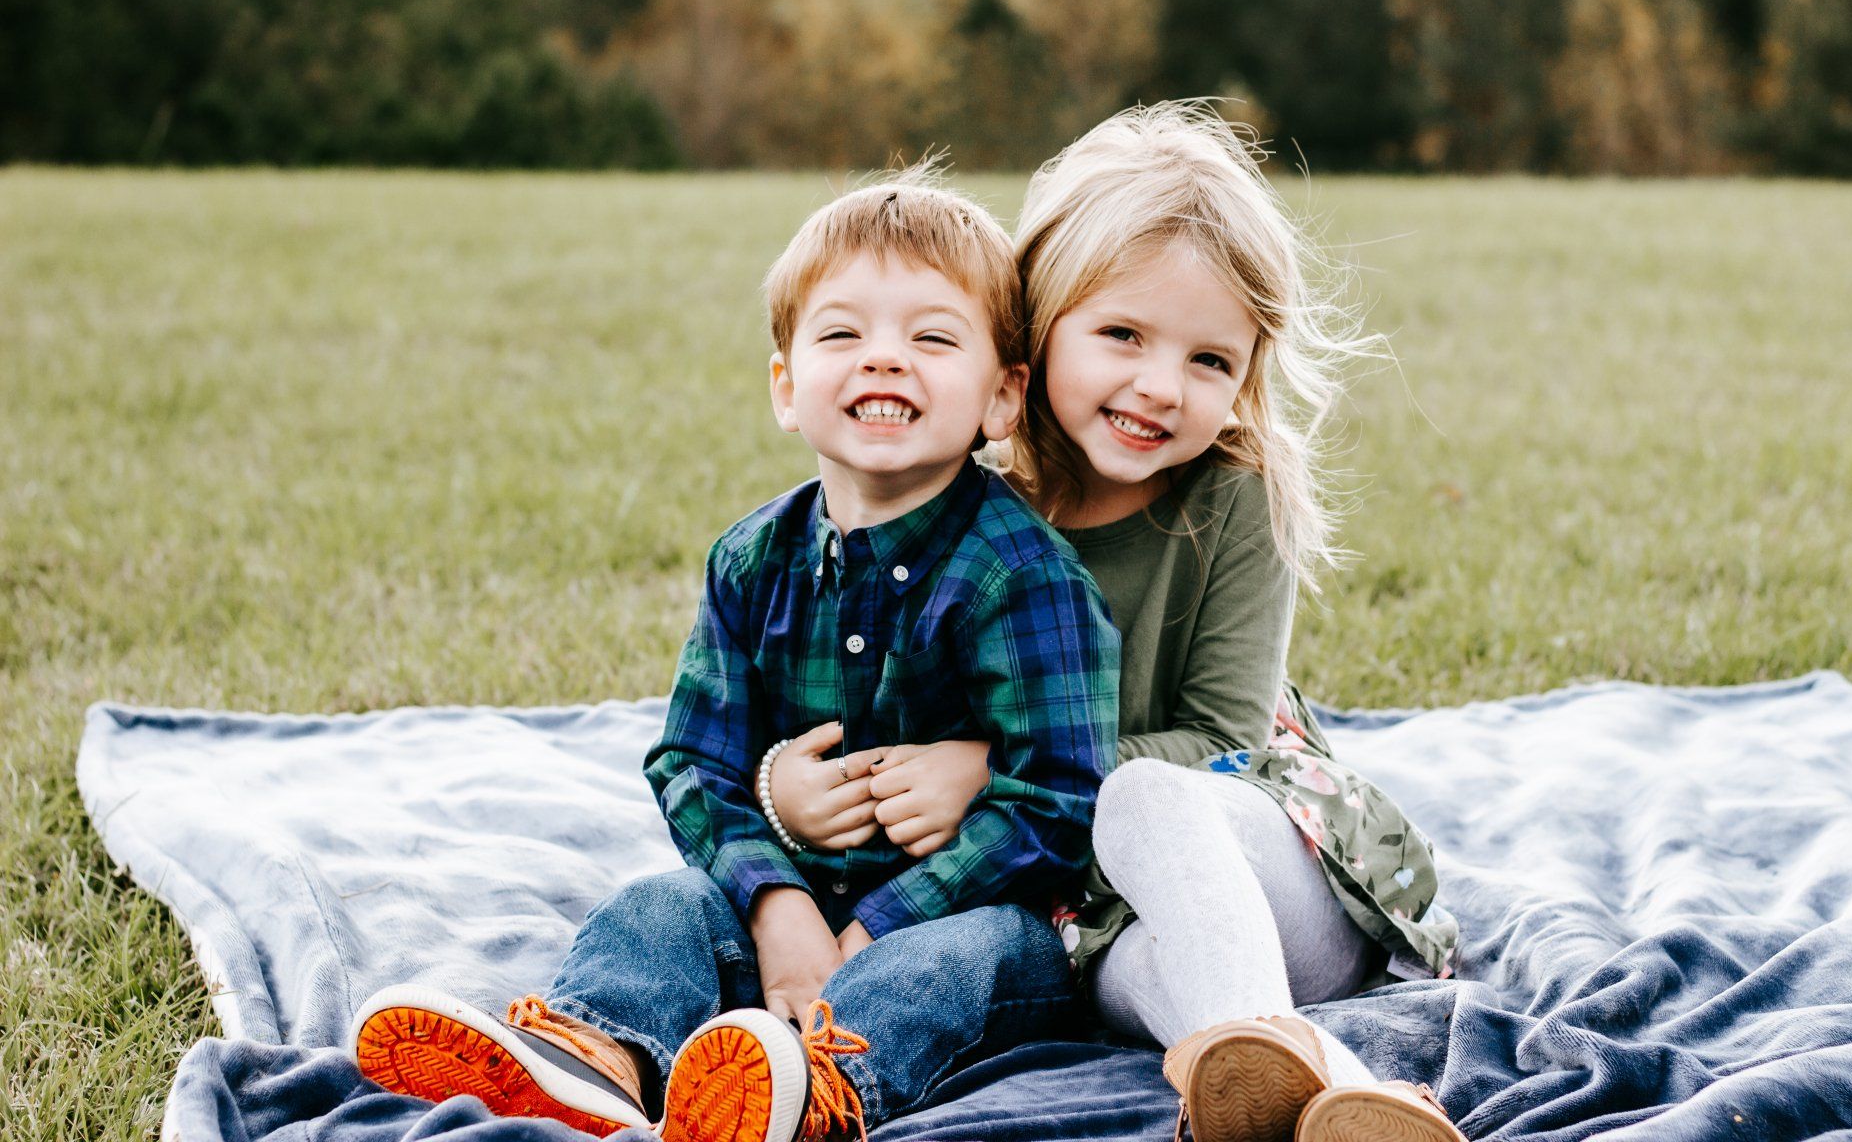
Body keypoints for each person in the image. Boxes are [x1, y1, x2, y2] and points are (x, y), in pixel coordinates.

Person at [349, 171, 1120, 1142]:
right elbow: (692, 760)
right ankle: (593, 1059)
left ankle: (809, 1090)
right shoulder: (751, 558)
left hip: (980, 918)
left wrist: (870, 929)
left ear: (1004, 396)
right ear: (787, 387)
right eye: (843, 333)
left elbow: (1063, 796)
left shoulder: (1024, 575)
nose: (884, 358)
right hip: (791, 901)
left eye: (931, 336)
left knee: (946, 966)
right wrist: (776, 900)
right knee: (660, 906)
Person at [768, 104, 1465, 1142]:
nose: (1158, 386)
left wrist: (984, 770)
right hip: (1087, 924)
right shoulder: (955, 504)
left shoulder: (1234, 497)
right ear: (1036, 323)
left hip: (1252, 869)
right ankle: (1320, 1102)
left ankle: (1294, 1051)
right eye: (1122, 334)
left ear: (1246, 374)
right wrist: (799, 780)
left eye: (1209, 360)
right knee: (1127, 980)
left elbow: (1222, 740)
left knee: (1143, 796)